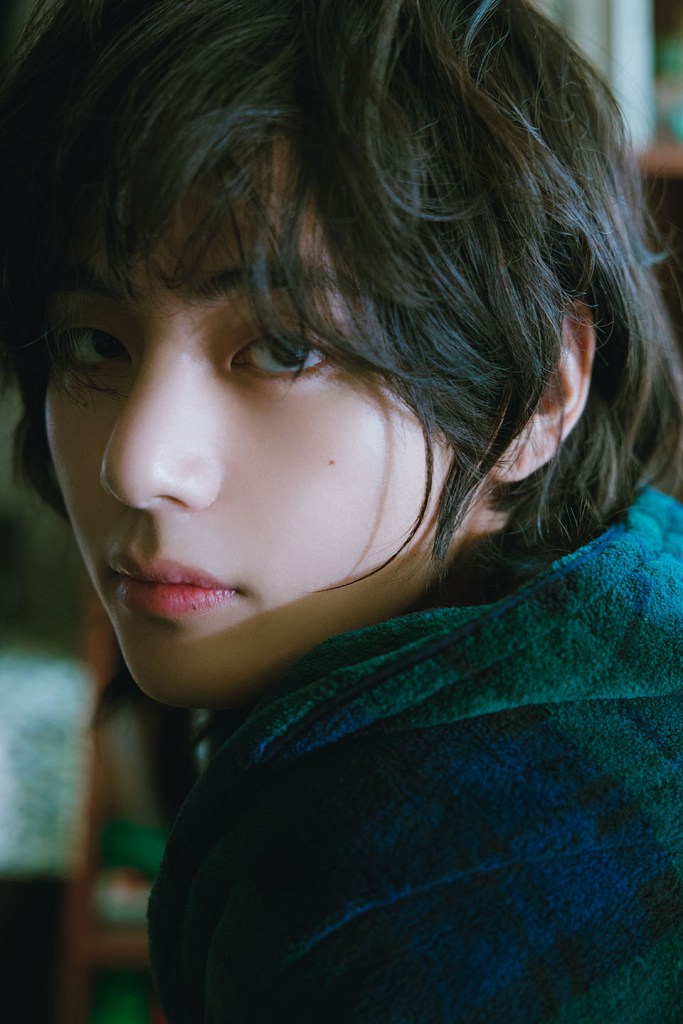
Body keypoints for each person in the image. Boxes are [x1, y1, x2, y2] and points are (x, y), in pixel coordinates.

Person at [1, 0, 682, 1019]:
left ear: (534, 392)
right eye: (93, 343)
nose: (136, 465)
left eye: (282, 348)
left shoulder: (401, 909)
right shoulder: (626, 576)